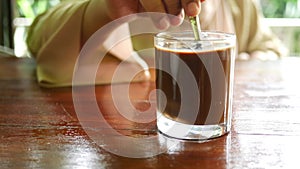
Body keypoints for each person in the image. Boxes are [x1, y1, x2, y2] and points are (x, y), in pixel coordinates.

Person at [26, 0, 287, 87]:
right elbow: (37, 35)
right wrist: (103, 11)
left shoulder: (239, 5)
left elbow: (272, 53)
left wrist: (232, 70)